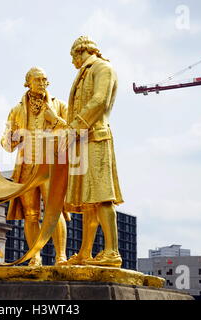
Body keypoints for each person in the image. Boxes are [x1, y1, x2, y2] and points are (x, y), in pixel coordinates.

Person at [63, 36, 124, 267]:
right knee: (90, 201)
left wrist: (74, 126)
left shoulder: (102, 67)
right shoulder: (84, 73)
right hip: (83, 141)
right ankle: (85, 254)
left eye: (73, 56)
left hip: (96, 137)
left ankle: (112, 252)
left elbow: (100, 101)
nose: (72, 62)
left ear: (82, 51)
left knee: (102, 195)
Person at [1, 67, 69, 266]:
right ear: (28, 83)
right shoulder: (16, 110)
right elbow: (6, 145)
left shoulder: (59, 105)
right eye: (37, 80)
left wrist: (54, 119)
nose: (42, 83)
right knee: (30, 215)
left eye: (45, 80)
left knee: (54, 210)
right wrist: (13, 137)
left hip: (50, 166)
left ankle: (61, 256)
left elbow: (74, 132)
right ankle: (34, 257)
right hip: (26, 168)